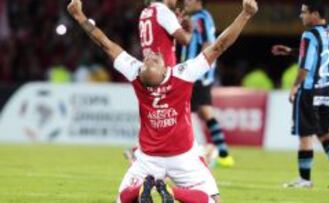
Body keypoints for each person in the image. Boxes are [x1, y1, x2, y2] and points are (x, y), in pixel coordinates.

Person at [67, 0, 258, 202]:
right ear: (165, 69)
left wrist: (79, 16)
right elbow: (219, 45)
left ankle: (143, 189)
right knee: (214, 200)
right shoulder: (183, 73)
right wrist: (245, 14)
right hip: (184, 157)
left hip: (147, 159)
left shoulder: (135, 72)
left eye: (149, 58)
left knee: (122, 199)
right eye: (152, 59)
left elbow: (104, 43)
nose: (151, 55)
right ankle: (171, 192)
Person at [271, 0, 329, 188]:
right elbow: (319, 54)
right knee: (323, 132)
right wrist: (290, 51)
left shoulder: (309, 35)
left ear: (315, 14)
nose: (301, 15)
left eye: (304, 12)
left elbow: (305, 65)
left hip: (310, 91)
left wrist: (295, 86)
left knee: (305, 135)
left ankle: (305, 179)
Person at [181, 0, 234, 167]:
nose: (185, 1)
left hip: (195, 73)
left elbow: (207, 44)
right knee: (206, 112)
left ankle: (187, 152)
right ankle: (224, 154)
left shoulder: (200, 18)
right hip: (199, 73)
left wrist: (199, 67)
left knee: (183, 111)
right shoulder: (197, 17)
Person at [139, 0, 192, 67]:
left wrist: (176, 24)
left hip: (149, 69)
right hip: (164, 70)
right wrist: (189, 28)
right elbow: (185, 39)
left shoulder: (144, 13)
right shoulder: (163, 11)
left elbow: (158, 35)